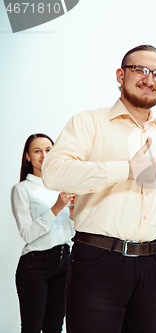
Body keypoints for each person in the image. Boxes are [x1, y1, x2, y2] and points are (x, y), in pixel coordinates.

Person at [42, 45, 156, 333]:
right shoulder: (89, 122)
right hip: (98, 263)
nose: (149, 79)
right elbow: (53, 173)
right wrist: (127, 170)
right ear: (120, 75)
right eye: (140, 70)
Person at [11, 133, 75, 333]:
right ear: (28, 156)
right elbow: (27, 233)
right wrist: (57, 207)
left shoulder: (63, 187)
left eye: (48, 150)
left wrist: (73, 213)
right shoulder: (22, 189)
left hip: (65, 262)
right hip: (35, 265)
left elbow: (71, 232)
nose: (44, 155)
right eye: (37, 151)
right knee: (32, 327)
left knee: (55, 327)